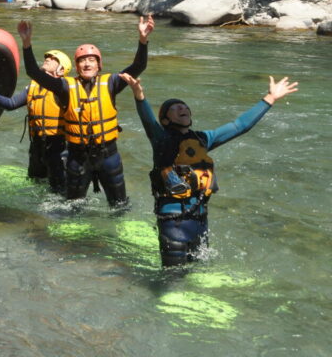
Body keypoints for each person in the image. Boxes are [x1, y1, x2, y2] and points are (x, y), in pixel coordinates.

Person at [121, 72, 298, 266]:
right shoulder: (161, 139)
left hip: (200, 220)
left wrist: (270, 98)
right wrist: (139, 95)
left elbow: (240, 126)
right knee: (173, 277)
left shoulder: (203, 139)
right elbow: (147, 119)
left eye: (184, 106)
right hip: (173, 222)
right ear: (165, 120)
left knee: (200, 270)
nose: (182, 107)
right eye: (175, 108)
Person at [17, 15, 154, 208]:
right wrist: (27, 44)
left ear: (99, 65)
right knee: (73, 206)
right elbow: (34, 73)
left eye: (91, 60)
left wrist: (143, 40)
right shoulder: (65, 87)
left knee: (119, 206)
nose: (87, 64)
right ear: (77, 65)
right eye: (82, 61)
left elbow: (138, 66)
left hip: (108, 155)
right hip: (77, 157)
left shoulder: (112, 83)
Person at [0, 49, 73, 193]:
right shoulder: (33, 87)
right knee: (36, 185)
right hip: (37, 146)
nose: (48, 59)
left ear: (62, 69)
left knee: (59, 191)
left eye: (53, 58)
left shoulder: (64, 89)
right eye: (47, 56)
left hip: (58, 146)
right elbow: (11, 104)